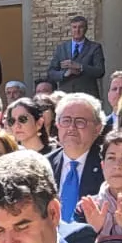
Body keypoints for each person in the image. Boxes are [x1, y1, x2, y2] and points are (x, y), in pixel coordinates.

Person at [47, 93, 107, 224]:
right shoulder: (44, 164)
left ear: (98, 128)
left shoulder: (108, 165)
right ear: (57, 125)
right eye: (66, 120)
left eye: (80, 122)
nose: (71, 128)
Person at [48, 15, 105, 97]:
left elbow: (100, 71)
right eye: (74, 27)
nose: (77, 30)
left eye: (80, 27)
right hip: (66, 96)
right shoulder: (61, 48)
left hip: (87, 96)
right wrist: (65, 74)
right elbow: (51, 72)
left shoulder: (95, 47)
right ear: (71, 29)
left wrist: (80, 66)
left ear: (86, 29)